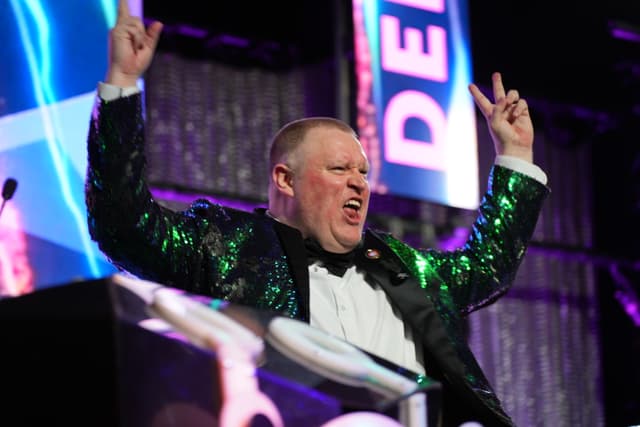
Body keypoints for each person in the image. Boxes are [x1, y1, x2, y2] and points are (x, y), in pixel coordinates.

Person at [85, 1, 549, 426]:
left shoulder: (409, 269)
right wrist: (123, 85)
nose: (358, 183)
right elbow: (125, 227)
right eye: (339, 168)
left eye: (363, 172)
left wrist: (515, 154)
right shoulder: (225, 244)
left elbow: (487, 266)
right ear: (285, 180)